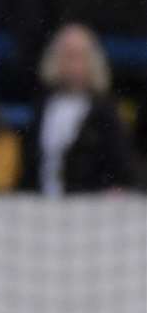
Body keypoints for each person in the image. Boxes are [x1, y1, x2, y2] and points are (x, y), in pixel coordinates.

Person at [21, 23, 135, 194]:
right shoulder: (43, 105)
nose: (73, 64)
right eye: (67, 55)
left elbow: (121, 167)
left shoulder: (105, 110)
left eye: (79, 56)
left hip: (87, 207)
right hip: (42, 204)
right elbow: (30, 163)